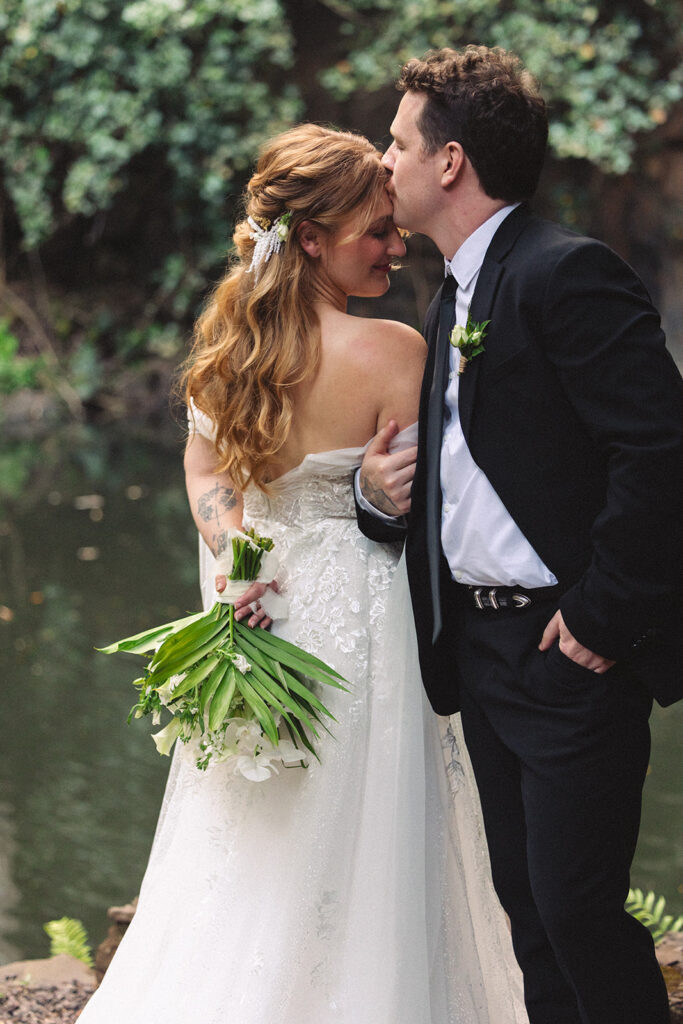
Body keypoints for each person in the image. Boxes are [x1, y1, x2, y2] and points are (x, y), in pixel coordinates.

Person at [77, 123, 529, 1023]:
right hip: (360, 618)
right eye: (376, 231)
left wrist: (233, 560)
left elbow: (207, 475)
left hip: (252, 613)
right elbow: (441, 514)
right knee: (365, 834)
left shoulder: (229, 349)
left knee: (259, 840)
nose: (396, 249)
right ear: (311, 238)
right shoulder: (396, 350)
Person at [355, 45, 683, 1024]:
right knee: (529, 914)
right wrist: (378, 499)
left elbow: (658, 451)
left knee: (577, 910)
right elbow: (465, 481)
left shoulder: (563, 273)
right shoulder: (451, 291)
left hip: (564, 647)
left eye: (397, 140)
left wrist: (597, 619)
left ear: (448, 162)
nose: (383, 160)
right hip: (482, 650)